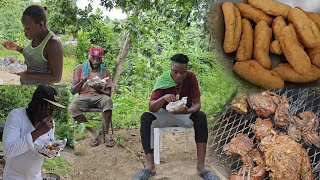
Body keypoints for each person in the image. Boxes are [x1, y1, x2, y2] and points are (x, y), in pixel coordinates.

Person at [133, 54, 220, 180]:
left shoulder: (191, 78)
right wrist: (163, 98)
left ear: (187, 71)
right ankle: (149, 167)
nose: (179, 75)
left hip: (184, 114)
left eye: (182, 72)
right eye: (175, 72)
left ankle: (202, 168)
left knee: (201, 116)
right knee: (146, 117)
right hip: (164, 114)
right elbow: (151, 107)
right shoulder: (163, 79)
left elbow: (197, 104)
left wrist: (187, 111)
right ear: (171, 69)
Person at [2, 84, 65, 180]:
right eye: (48, 107)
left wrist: (51, 152)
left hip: (35, 176)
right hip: (13, 175)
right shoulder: (17, 116)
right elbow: (8, 151)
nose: (52, 112)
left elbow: (48, 147)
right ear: (36, 103)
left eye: (54, 109)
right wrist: (38, 132)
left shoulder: (50, 124)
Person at [2, 5, 63, 84]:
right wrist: (17, 48)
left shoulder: (53, 43)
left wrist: (26, 74)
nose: (24, 31)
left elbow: (56, 78)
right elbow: (34, 55)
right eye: (24, 27)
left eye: (27, 28)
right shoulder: (35, 36)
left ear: (40, 25)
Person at [69, 45, 115, 147]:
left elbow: (109, 94)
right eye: (93, 58)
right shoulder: (80, 68)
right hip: (84, 97)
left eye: (98, 59)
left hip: (99, 97)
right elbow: (72, 91)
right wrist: (81, 83)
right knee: (72, 108)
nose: (95, 61)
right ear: (89, 56)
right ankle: (94, 132)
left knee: (107, 101)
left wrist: (100, 90)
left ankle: (106, 134)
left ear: (101, 59)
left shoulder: (106, 71)